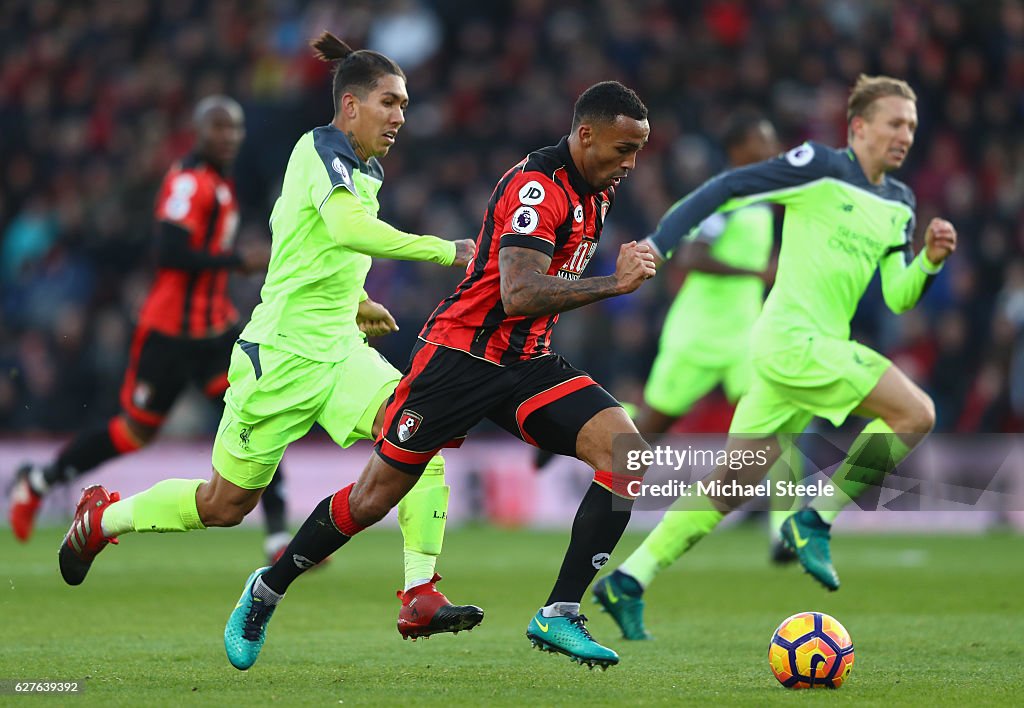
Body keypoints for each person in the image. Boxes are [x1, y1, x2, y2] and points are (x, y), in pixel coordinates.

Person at [55, 33, 484, 642]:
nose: (400, 117)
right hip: (278, 358)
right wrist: (448, 251)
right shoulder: (319, 149)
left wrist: (355, 302)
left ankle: (419, 591)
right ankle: (104, 519)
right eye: (390, 102)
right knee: (224, 506)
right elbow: (343, 225)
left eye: (406, 105)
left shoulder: (367, 168)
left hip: (338, 354)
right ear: (351, 106)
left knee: (421, 434)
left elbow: (309, 243)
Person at [222, 80, 656, 672]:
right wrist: (615, 282)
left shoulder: (595, 190)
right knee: (373, 499)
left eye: (637, 151)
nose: (630, 163)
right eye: (622, 149)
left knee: (627, 453)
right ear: (585, 135)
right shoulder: (538, 189)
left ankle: (559, 612)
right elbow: (519, 291)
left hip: (526, 363)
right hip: (460, 359)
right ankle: (265, 592)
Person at [595, 75, 956, 636]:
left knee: (731, 486)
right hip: (795, 342)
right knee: (916, 414)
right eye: (894, 122)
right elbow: (727, 188)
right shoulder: (820, 167)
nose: (904, 134)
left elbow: (897, 295)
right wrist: (659, 245)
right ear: (859, 127)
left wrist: (929, 261)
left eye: (910, 124)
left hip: (793, 353)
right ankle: (815, 517)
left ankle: (630, 578)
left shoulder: (900, 205)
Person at [7, 96, 294, 561]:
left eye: (236, 129)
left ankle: (278, 536)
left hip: (214, 329)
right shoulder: (188, 182)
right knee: (132, 433)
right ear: (199, 133)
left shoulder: (221, 182)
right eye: (220, 128)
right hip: (168, 333)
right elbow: (169, 253)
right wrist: (237, 259)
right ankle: (38, 481)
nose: (230, 137)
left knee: (255, 413)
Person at [590, 112, 810, 640]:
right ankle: (593, 470)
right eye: (764, 138)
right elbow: (690, 256)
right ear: (739, 149)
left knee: (777, 416)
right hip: (696, 334)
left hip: (744, 337)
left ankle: (787, 526)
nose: (773, 147)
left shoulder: (761, 201)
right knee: (646, 436)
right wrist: (758, 272)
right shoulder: (724, 197)